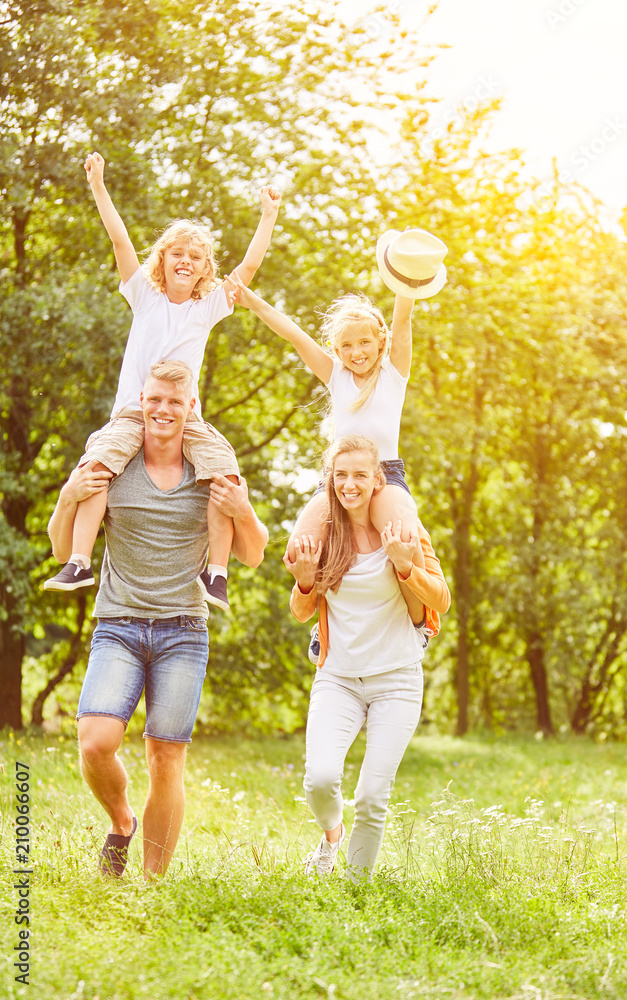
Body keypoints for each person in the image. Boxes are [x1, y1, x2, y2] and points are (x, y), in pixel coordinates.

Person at [47, 360, 268, 879]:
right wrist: (66, 497)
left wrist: (245, 510)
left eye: (175, 401)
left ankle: (152, 882)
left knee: (166, 759)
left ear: (191, 407)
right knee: (95, 741)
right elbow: (62, 546)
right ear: (140, 404)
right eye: (155, 400)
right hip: (118, 625)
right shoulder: (114, 467)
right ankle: (121, 821)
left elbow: (254, 554)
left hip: (183, 631)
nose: (163, 410)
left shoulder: (210, 472)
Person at [44, 151, 280, 613]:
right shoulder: (145, 296)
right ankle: (78, 561)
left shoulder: (206, 307)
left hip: (186, 416)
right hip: (134, 412)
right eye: (177, 253)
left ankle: (215, 573)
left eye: (196, 256)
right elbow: (119, 240)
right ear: (163, 259)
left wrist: (268, 215)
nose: (186, 261)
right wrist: (97, 184)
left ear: (204, 267)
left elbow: (248, 271)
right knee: (96, 468)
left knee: (223, 470)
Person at [225, 227, 447, 569]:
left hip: (385, 473)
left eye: (364, 343)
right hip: (338, 475)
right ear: (336, 349)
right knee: (299, 549)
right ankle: (322, 616)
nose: (356, 352)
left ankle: (420, 620)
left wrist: (408, 266)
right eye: (346, 345)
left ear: (380, 342)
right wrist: (251, 299)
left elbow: (402, 318)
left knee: (404, 540)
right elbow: (293, 333)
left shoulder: (393, 373)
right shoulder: (336, 376)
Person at [285, 435, 450, 880]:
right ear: (330, 481)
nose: (349, 484)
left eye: (360, 475)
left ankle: (357, 890)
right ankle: (331, 837)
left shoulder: (400, 531)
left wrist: (404, 564)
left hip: (396, 679)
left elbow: (442, 598)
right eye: (341, 475)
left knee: (373, 796)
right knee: (318, 780)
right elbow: (301, 613)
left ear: (378, 480)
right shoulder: (326, 535)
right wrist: (304, 581)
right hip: (338, 679)